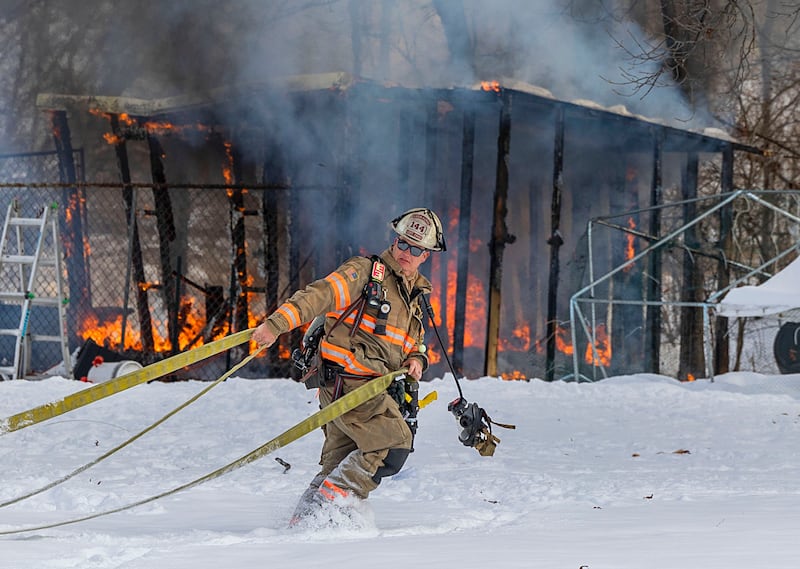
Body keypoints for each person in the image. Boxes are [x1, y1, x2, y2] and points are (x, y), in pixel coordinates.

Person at [252, 207, 446, 524]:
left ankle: (302, 522)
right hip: (353, 388)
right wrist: (276, 325)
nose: (406, 253)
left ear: (426, 255)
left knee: (339, 463)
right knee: (394, 444)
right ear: (394, 240)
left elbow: (414, 340)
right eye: (402, 244)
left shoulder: (412, 296)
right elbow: (320, 295)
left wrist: (416, 358)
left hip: (360, 390)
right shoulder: (366, 272)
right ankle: (333, 505)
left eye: (416, 249)